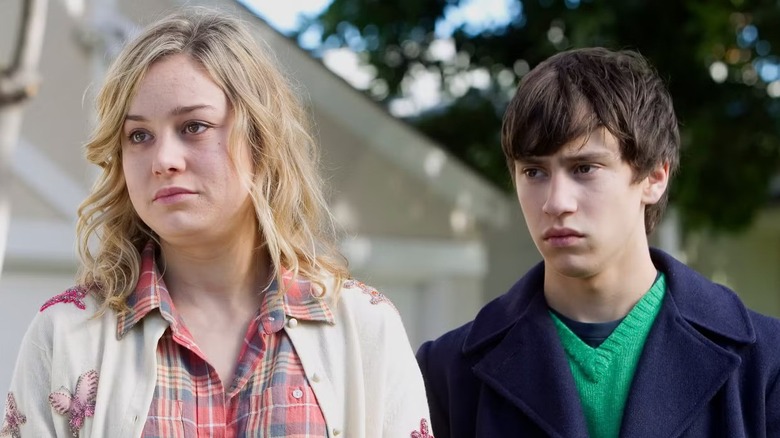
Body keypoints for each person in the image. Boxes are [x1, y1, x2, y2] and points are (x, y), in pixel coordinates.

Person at [2, 9, 431, 437]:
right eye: (139, 135)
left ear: (260, 142)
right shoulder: (65, 336)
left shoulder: (365, 329)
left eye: (194, 126)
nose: (164, 160)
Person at [416, 47, 780, 437]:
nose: (556, 203)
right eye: (534, 172)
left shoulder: (766, 364)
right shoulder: (445, 373)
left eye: (584, 168)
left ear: (655, 177)